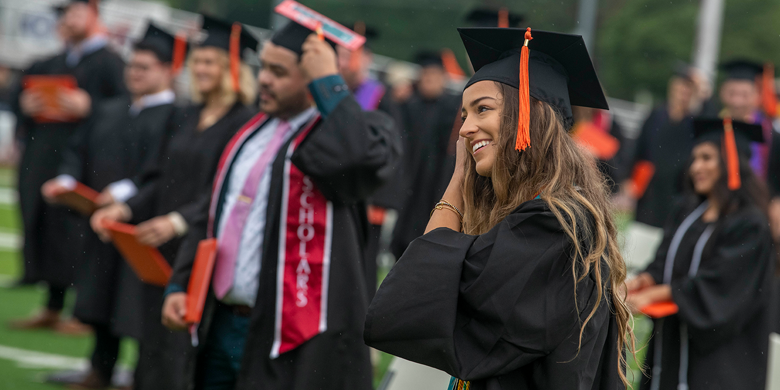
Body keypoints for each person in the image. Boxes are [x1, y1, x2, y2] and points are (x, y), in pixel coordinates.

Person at [366, 27, 632, 389]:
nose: (465, 128)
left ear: (531, 114)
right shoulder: (530, 216)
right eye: (464, 114)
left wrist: (458, 180)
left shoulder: (553, 226)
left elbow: (414, 300)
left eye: (483, 109)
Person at [160, 18, 400, 390]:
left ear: (314, 81)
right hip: (220, 322)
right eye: (264, 69)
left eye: (279, 72)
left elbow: (359, 158)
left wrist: (330, 86)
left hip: (290, 335)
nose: (265, 80)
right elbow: (217, 216)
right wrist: (182, 284)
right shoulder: (250, 133)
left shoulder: (348, 133)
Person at [89, 14, 257, 390]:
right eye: (198, 60)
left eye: (211, 61)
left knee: (183, 346)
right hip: (159, 244)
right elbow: (158, 175)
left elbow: (229, 191)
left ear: (233, 68)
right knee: (150, 338)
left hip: (203, 245)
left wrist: (179, 221)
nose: (201, 68)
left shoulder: (245, 123)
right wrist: (126, 207)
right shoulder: (184, 115)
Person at [39, 22, 181, 389]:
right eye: (132, 66)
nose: (134, 73)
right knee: (99, 299)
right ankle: (99, 369)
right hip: (100, 226)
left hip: (141, 226)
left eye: (145, 67)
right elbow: (77, 151)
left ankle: (140, 375)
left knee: (136, 305)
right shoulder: (110, 110)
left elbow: (164, 171)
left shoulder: (176, 118)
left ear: (168, 70)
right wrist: (68, 180)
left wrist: (124, 194)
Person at [625, 118, 773, 390]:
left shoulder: (750, 225)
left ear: (731, 163)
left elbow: (717, 287)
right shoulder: (687, 212)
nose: (696, 167)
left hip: (719, 363)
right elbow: (664, 264)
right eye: (694, 159)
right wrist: (639, 281)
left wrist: (653, 295)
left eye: (707, 158)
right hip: (670, 349)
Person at [10, 0, 126, 330]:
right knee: (45, 227)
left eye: (76, 11)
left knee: (77, 232)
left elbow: (126, 107)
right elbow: (18, 95)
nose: (68, 19)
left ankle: (83, 311)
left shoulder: (111, 63)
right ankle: (52, 304)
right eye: (64, 13)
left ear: (94, 13)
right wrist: (24, 104)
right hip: (43, 156)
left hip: (87, 161)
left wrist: (91, 106)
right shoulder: (52, 61)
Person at [335, 22, 403, 295]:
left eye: (350, 54)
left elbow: (393, 152)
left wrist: (381, 201)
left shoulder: (380, 96)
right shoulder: (333, 95)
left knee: (361, 265)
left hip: (368, 201)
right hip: (337, 197)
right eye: (340, 54)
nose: (345, 61)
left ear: (367, 58)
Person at [390, 50, 460, 259]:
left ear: (443, 79)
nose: (429, 81)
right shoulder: (409, 106)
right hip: (411, 181)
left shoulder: (452, 107)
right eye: (425, 76)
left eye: (434, 76)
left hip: (437, 182)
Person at [623, 66, 697, 228]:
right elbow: (639, 147)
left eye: (687, 91)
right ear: (672, 88)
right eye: (679, 88)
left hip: (677, 190)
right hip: (650, 186)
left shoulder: (693, 123)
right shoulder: (656, 114)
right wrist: (629, 178)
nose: (682, 94)